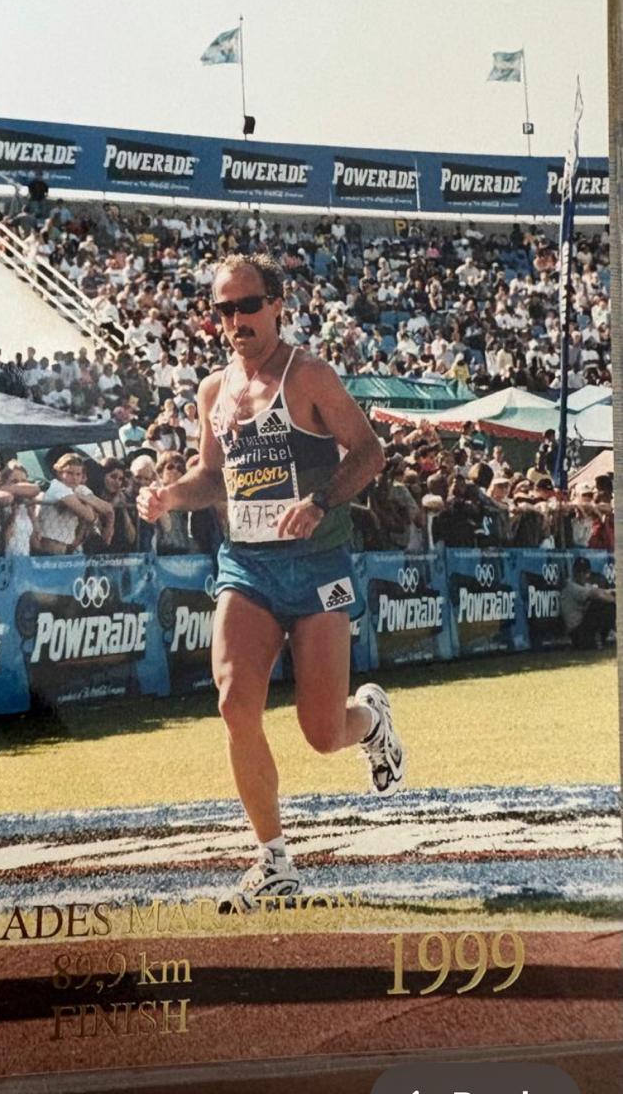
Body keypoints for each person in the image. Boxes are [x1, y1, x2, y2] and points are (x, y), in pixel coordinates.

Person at [138, 254, 403, 912]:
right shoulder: (212, 391)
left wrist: (318, 498)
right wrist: (170, 496)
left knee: (319, 732)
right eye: (223, 310)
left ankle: (369, 723)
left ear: (277, 305)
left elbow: (369, 453)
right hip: (246, 566)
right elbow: (211, 478)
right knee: (234, 704)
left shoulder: (307, 374)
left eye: (247, 306)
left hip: (317, 567)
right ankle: (272, 860)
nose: (235, 321)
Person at [561, 556, 616, 649]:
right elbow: (597, 595)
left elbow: (602, 591)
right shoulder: (571, 587)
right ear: (574, 572)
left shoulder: (586, 585)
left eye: (585, 572)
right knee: (600, 604)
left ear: (589, 573)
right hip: (577, 632)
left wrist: (613, 593)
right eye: (579, 572)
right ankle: (597, 639)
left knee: (609, 604)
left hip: (586, 629)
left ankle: (599, 638)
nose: (582, 575)